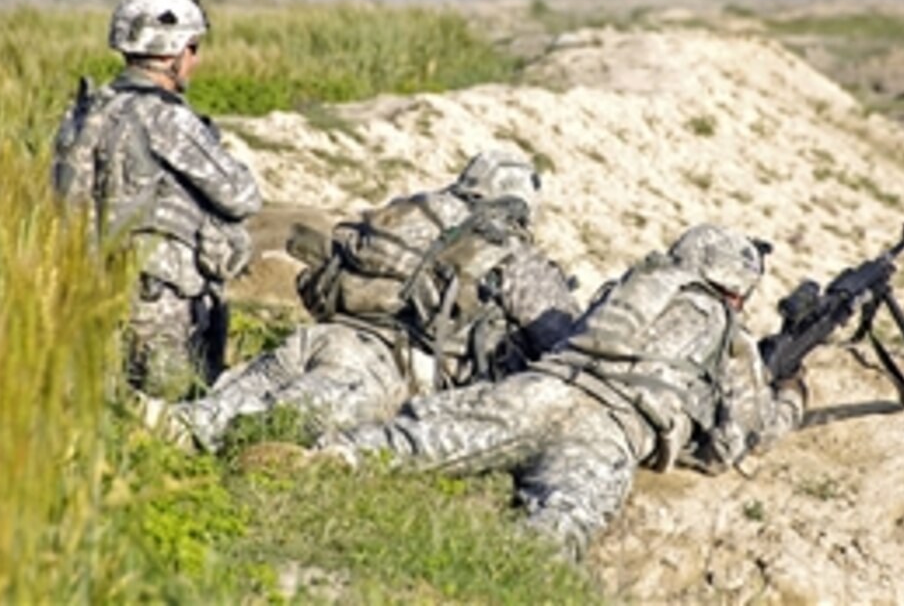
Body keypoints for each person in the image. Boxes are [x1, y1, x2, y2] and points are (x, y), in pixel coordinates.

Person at [314, 224, 807, 560]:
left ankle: (335, 456)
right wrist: (790, 396)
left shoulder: (628, 286)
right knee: (560, 525)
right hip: (607, 432)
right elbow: (732, 444)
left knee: (411, 441)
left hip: (541, 388)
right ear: (736, 289)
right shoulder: (733, 338)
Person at [162, 150, 581, 452]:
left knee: (206, 411)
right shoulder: (511, 250)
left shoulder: (413, 210)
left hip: (322, 335)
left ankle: (158, 424)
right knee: (273, 424)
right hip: (384, 366)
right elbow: (563, 342)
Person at [52, 0, 261, 400]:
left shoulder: (85, 112)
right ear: (174, 53)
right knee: (170, 410)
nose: (195, 60)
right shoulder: (165, 117)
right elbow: (241, 195)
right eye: (193, 48)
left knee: (101, 406)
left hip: (88, 289)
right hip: (158, 297)